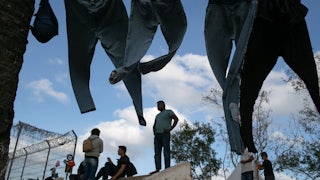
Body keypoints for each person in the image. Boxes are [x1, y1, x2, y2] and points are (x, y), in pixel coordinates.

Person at [239, 0, 320, 153]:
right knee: (248, 90)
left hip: (291, 22)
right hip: (265, 24)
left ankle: (247, 139)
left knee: (313, 82)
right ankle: (247, 140)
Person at [64, 0, 146, 126]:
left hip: (108, 8)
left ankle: (139, 108)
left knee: (127, 60)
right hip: (81, 9)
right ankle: (85, 103)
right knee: (78, 60)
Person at [204, 0, 258, 155]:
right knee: (220, 70)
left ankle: (240, 141)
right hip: (217, 9)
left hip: (246, 7)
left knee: (242, 64)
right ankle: (233, 103)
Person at [150, 100, 179, 174]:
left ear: (163, 105)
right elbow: (154, 124)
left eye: (159, 105)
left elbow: (176, 119)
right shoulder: (157, 115)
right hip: (157, 135)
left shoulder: (168, 112)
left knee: (166, 151)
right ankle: (157, 169)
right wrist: (154, 132)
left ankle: (167, 168)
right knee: (157, 153)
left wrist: (170, 129)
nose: (158, 107)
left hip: (165, 134)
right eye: (157, 105)